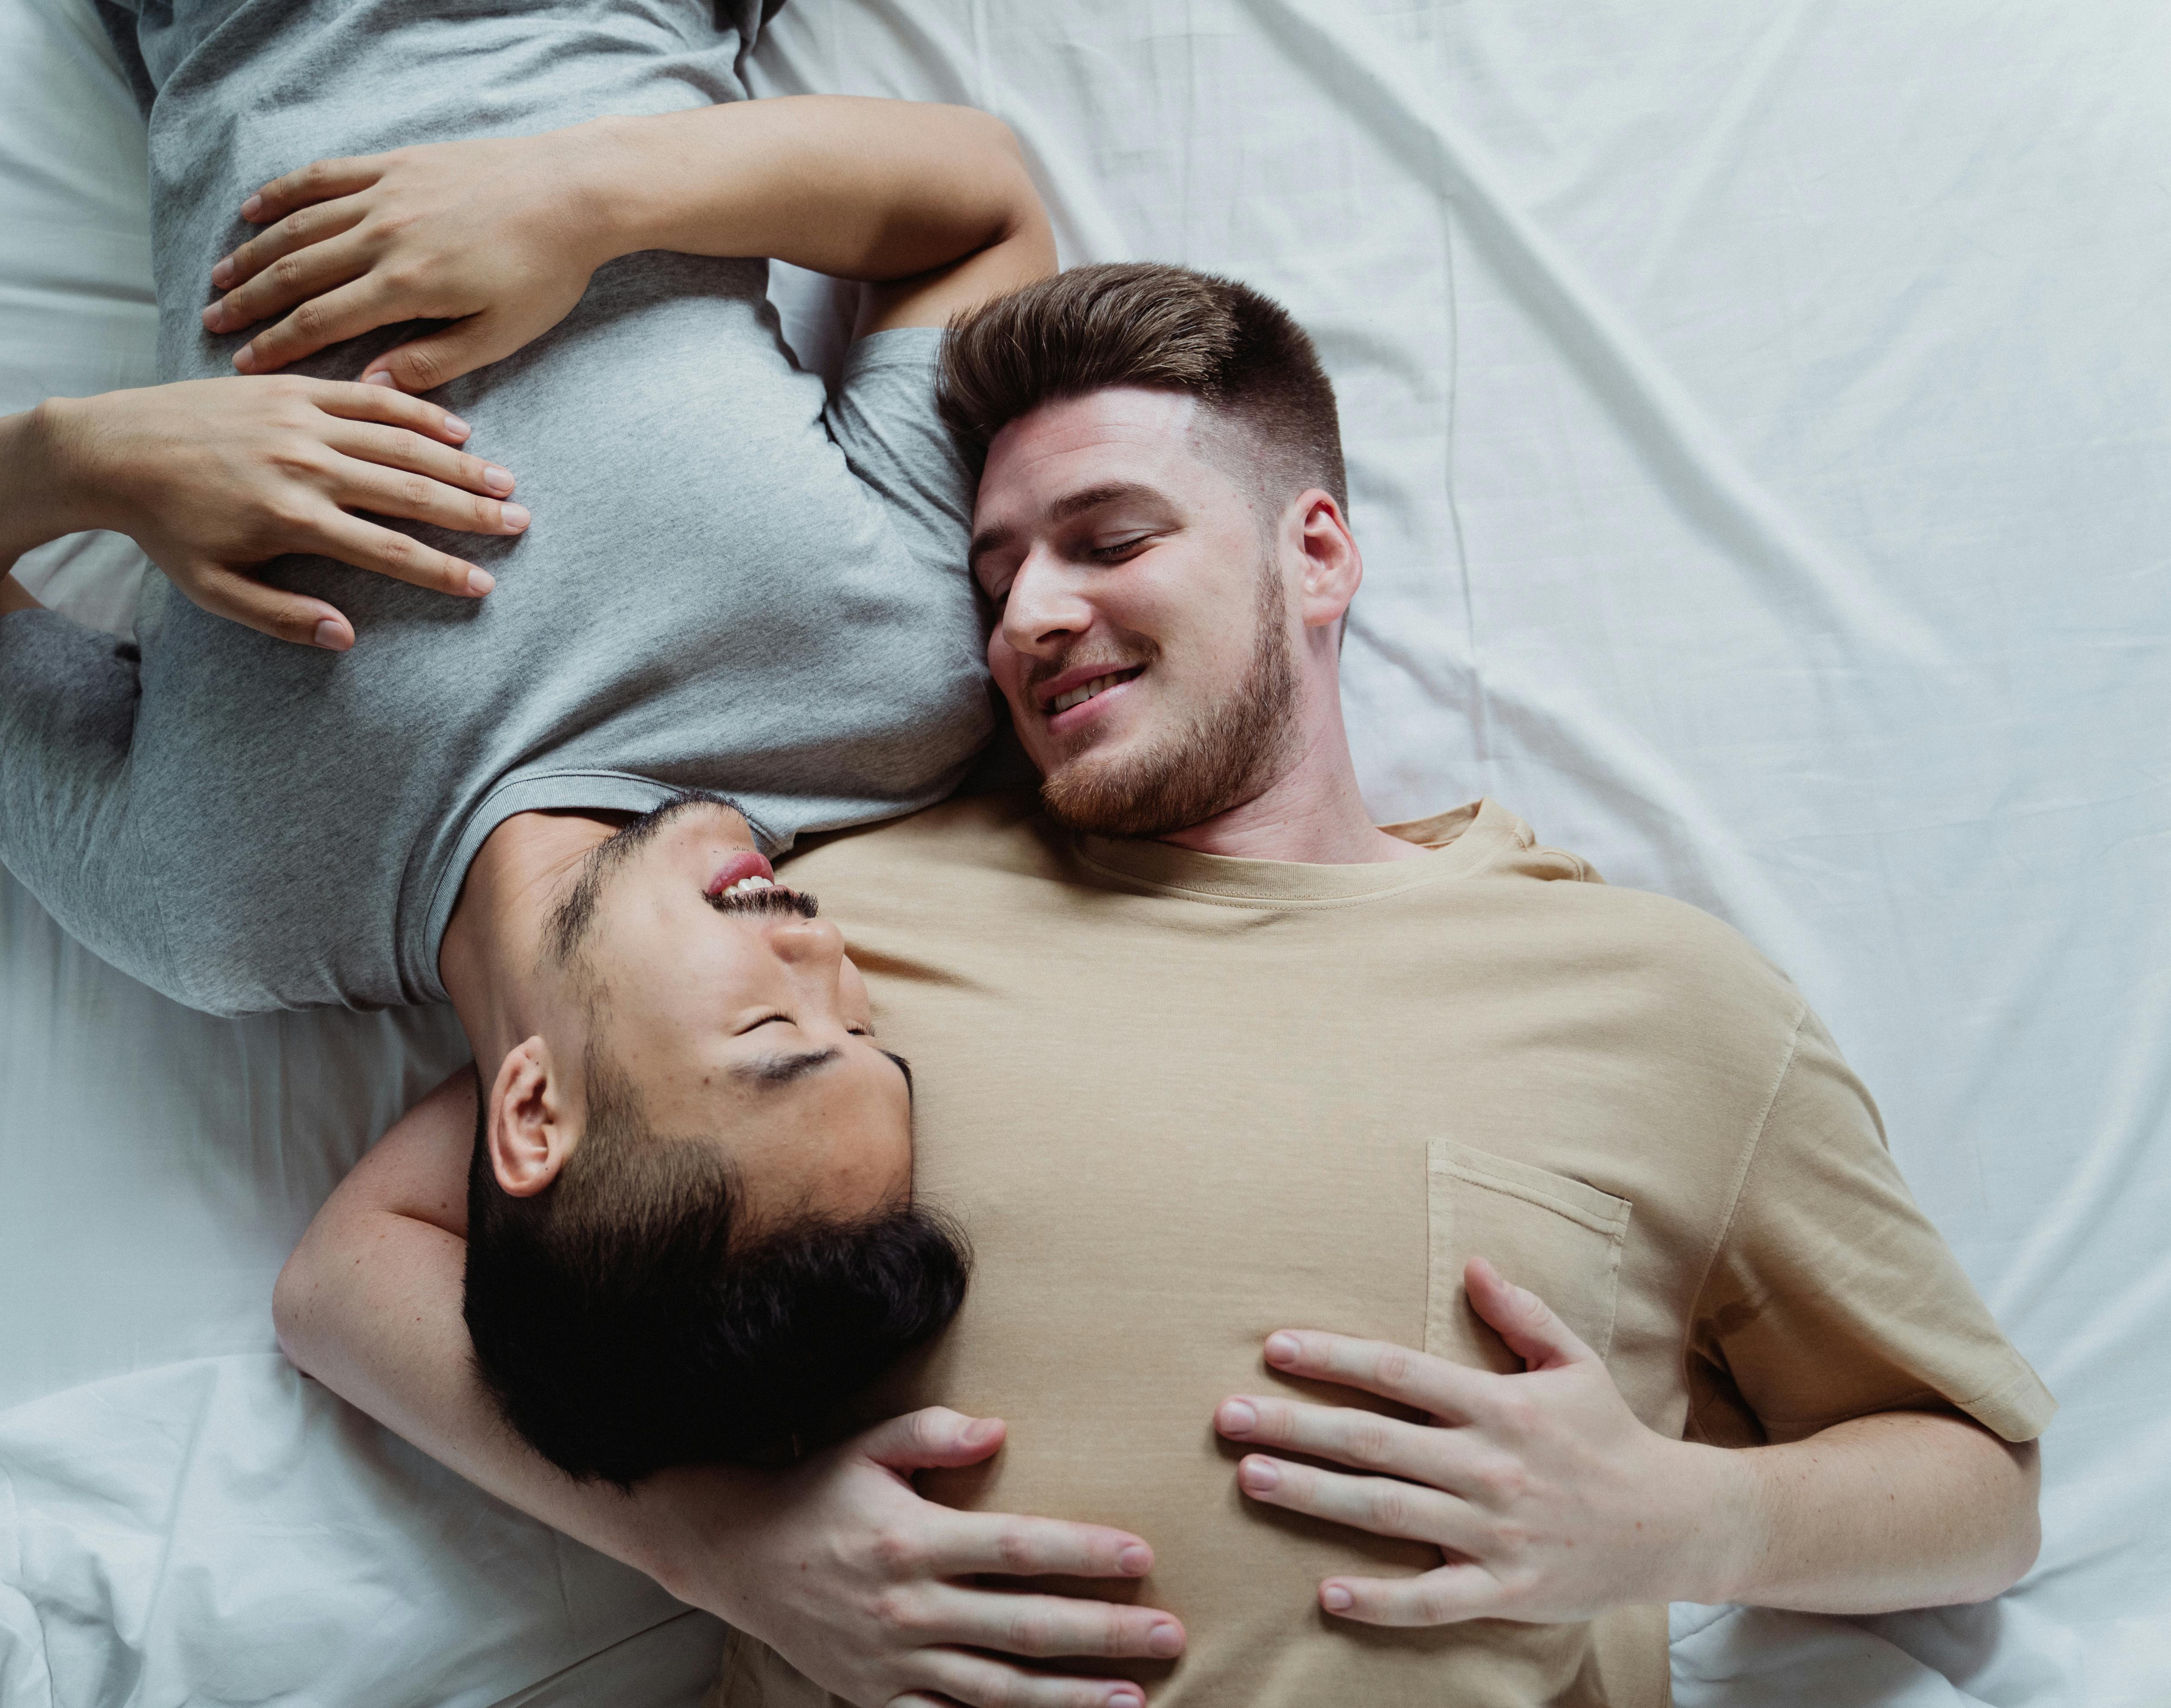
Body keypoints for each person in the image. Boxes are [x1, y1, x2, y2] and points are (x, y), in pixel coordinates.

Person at [279, 264, 2051, 1708]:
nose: (1028, 615)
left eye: (1108, 540)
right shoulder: (824, 930)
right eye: (992, 577)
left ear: (1316, 556)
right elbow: (357, 1264)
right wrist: (707, 1542)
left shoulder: (1656, 997)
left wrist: (1676, 1522)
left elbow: (1979, 1499)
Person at [0, 0, 1059, 1485]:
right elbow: (974, 205)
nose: (828, 959)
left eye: (778, 1034)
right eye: (868, 1032)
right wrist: (591, 193)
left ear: (531, 1111)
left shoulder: (225, 897)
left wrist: (87, 461)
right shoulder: (895, 696)